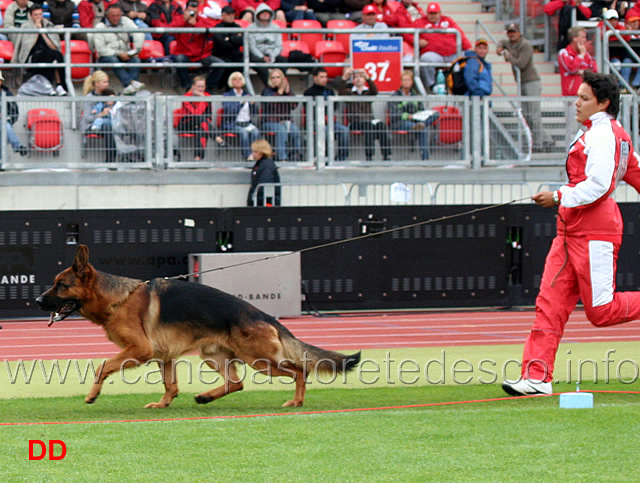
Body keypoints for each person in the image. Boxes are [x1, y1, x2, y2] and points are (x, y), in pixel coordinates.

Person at [502, 71, 640, 397]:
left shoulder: (603, 135)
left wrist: (559, 196)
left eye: (584, 98)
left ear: (603, 103)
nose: (575, 103)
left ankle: (537, 377)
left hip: (594, 231)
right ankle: (536, 377)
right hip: (571, 231)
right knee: (549, 304)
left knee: (602, 311)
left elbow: (599, 185)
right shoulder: (607, 133)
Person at [497, 24, 555, 152]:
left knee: (534, 114)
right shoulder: (510, 43)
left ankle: (539, 143)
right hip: (522, 82)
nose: (512, 34)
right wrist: (501, 47)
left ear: (519, 32)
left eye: (514, 32)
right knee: (526, 115)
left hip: (531, 81)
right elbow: (501, 42)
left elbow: (521, 63)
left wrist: (508, 56)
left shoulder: (525, 44)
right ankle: (547, 139)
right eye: (509, 32)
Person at [405, 2, 471, 92]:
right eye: (430, 13)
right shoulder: (420, 22)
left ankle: (460, 86)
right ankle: (432, 85)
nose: (433, 16)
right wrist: (417, 41)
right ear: (427, 13)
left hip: (452, 53)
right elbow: (407, 33)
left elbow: (460, 34)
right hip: (435, 55)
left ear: (440, 13)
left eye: (435, 13)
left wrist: (468, 48)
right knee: (425, 58)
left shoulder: (448, 20)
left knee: (466, 59)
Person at [335, 66, 391, 161]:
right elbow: (341, 93)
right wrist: (344, 78)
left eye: (361, 77)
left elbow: (375, 91)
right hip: (355, 122)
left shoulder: (367, 92)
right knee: (368, 126)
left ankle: (386, 155)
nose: (358, 79)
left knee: (381, 126)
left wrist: (368, 77)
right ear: (353, 80)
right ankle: (369, 156)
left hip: (369, 121)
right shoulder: (349, 93)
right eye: (356, 77)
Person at [12, 4, 68, 96]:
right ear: (30, 16)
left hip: (49, 54)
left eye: (40, 14)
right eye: (36, 15)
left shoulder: (48, 25)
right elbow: (26, 46)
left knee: (57, 55)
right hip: (32, 56)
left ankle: (58, 86)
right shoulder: (26, 27)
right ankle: (57, 86)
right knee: (48, 56)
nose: (39, 17)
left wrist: (42, 32)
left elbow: (54, 46)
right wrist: (36, 31)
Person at [92, 4, 146, 94]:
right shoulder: (100, 27)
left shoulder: (126, 21)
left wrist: (136, 50)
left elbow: (138, 32)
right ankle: (130, 83)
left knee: (136, 60)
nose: (116, 18)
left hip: (125, 52)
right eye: (113, 16)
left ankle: (132, 89)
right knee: (113, 60)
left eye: (118, 15)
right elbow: (101, 49)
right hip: (108, 55)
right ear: (107, 15)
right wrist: (118, 53)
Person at [169, 0, 221, 93]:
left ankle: (207, 88)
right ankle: (188, 87)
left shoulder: (202, 20)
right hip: (184, 53)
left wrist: (196, 24)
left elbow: (212, 32)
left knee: (220, 64)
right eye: (190, 11)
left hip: (202, 55)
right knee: (179, 60)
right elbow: (170, 31)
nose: (193, 14)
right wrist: (184, 20)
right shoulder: (179, 19)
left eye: (195, 12)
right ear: (186, 10)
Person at [303, 66, 349, 161]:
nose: (325, 79)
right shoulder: (308, 92)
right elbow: (308, 109)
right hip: (315, 121)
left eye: (326, 77)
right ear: (315, 78)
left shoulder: (330, 91)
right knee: (326, 130)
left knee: (344, 130)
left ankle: (341, 158)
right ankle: (326, 158)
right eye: (322, 77)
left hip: (330, 121)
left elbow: (335, 106)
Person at [174, 75, 225, 160]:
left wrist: (204, 98)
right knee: (200, 118)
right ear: (193, 86)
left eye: (202, 86)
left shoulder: (207, 96)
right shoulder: (187, 97)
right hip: (186, 123)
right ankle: (218, 139)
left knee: (201, 130)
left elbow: (209, 115)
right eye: (198, 86)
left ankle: (197, 158)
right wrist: (202, 99)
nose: (200, 89)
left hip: (202, 124)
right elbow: (196, 113)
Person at [388, 70, 435, 161]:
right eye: (404, 80)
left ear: (412, 82)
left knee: (435, 114)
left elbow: (421, 109)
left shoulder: (415, 95)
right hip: (400, 122)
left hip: (415, 120)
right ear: (401, 82)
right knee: (423, 130)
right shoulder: (395, 95)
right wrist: (408, 116)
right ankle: (425, 158)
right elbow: (394, 112)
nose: (406, 82)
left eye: (408, 80)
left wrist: (419, 115)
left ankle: (421, 125)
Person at [261, 69, 302, 162]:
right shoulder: (267, 91)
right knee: (281, 130)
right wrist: (280, 91)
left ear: (282, 79)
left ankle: (295, 156)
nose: (275, 80)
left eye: (278, 77)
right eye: (273, 78)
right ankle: (282, 158)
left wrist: (287, 92)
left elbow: (294, 105)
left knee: (295, 131)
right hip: (269, 122)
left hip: (285, 121)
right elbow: (271, 105)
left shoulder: (287, 91)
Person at [80, 70, 118, 162]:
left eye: (107, 82)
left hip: (110, 121)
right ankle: (110, 160)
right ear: (97, 83)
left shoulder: (109, 95)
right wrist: (101, 114)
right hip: (92, 126)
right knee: (107, 127)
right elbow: (87, 118)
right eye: (104, 82)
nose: (107, 84)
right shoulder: (89, 98)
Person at [222, 71, 260, 161]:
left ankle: (254, 155)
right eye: (235, 79)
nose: (238, 81)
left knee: (256, 132)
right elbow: (229, 110)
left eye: (240, 79)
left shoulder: (247, 94)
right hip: (234, 124)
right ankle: (247, 156)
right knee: (243, 133)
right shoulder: (227, 95)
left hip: (247, 123)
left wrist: (253, 104)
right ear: (231, 81)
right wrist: (241, 103)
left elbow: (255, 113)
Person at [247, 3, 287, 87]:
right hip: (257, 55)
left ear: (270, 14)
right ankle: (270, 87)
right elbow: (252, 47)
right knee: (260, 65)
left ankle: (282, 86)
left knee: (283, 61)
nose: (265, 14)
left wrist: (272, 56)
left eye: (267, 12)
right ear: (257, 14)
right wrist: (262, 57)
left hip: (272, 53)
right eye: (262, 12)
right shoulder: (250, 28)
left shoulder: (276, 28)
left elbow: (279, 46)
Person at [211, 5, 244, 90]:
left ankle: (236, 88)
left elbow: (241, 40)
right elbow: (221, 44)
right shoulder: (218, 28)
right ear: (223, 15)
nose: (231, 16)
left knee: (241, 61)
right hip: (221, 54)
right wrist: (234, 39)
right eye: (228, 14)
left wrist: (228, 39)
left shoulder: (238, 27)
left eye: (233, 13)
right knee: (225, 63)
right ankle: (220, 87)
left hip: (235, 55)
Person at [559, 26, 598, 97]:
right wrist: (581, 55)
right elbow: (572, 69)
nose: (585, 40)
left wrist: (581, 72)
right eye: (583, 37)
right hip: (570, 96)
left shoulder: (587, 54)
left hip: (587, 95)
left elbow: (595, 70)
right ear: (574, 38)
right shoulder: (564, 53)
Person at [0, 71, 28, 157]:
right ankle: (17, 146)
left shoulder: (7, 94)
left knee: (4, 126)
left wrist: (6, 117)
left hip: (4, 121)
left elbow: (14, 112)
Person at [247, 138, 281, 206]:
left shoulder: (266, 165)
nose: (253, 154)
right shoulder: (260, 163)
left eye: (255, 152)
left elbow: (265, 185)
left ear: (262, 152)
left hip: (265, 204)